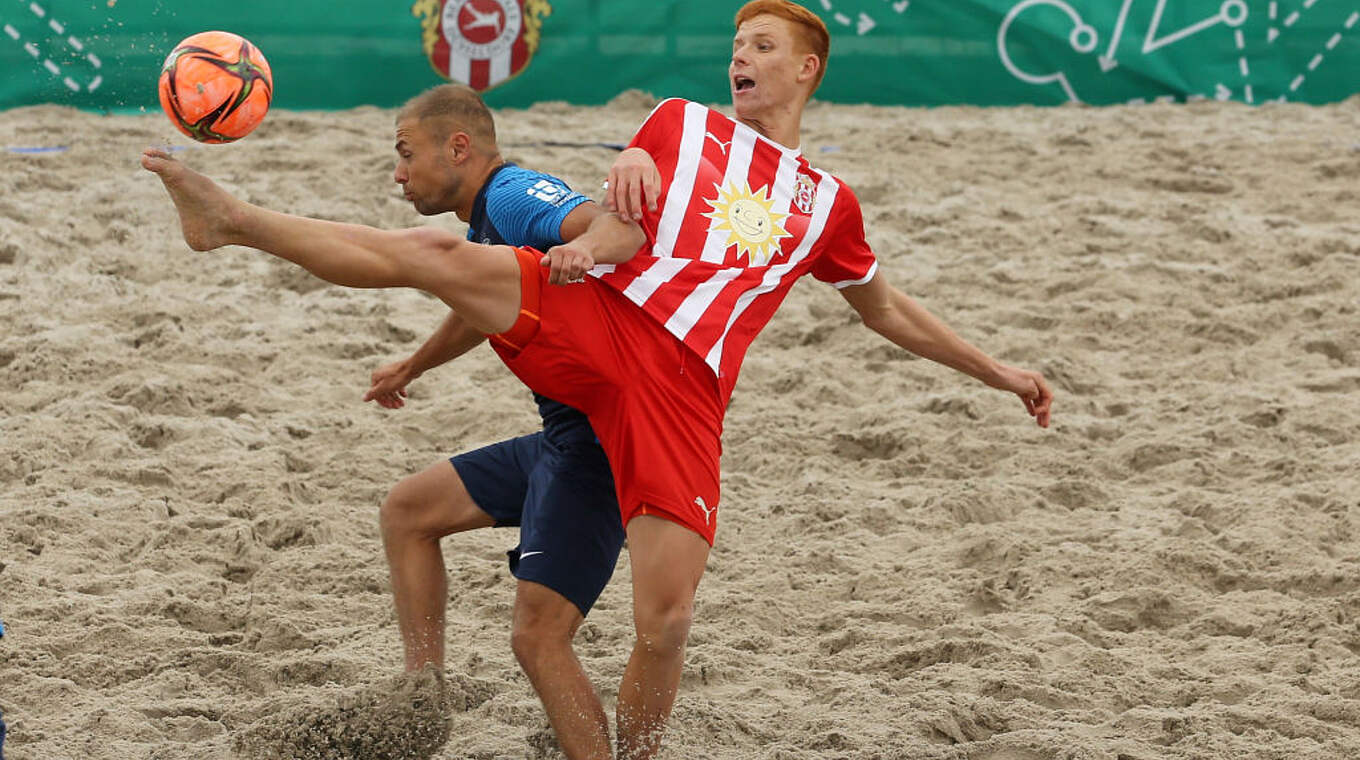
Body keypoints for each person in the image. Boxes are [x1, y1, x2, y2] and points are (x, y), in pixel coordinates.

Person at [141, 2, 1053, 757]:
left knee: (666, 624)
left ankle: (634, 754)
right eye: (736, 45)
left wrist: (997, 370)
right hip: (610, 318)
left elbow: (886, 310)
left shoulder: (828, 203)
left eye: (763, 48)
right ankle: (233, 219)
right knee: (434, 254)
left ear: (807, 69)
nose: (742, 58)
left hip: (685, 389)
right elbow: (621, 219)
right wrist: (595, 234)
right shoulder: (681, 123)